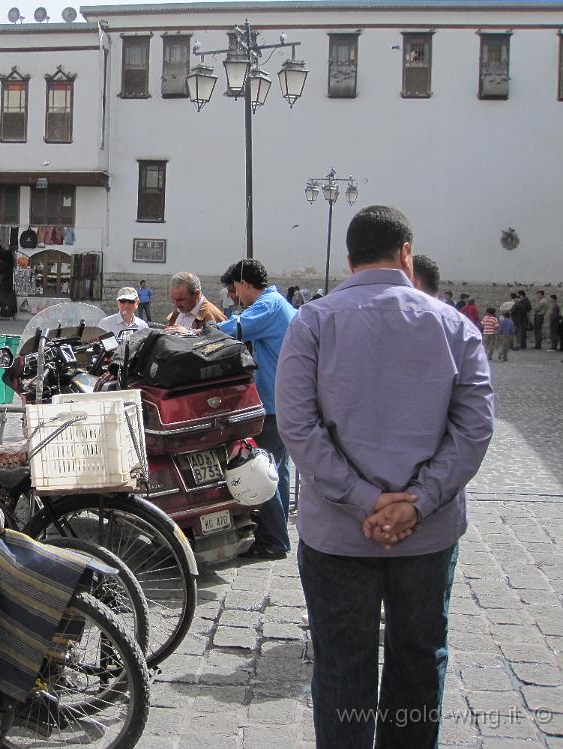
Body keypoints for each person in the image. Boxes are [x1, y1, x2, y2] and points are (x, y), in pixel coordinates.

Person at [275, 205, 494, 749]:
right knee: (418, 662)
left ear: (349, 261)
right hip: (428, 534)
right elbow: (474, 429)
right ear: (406, 254)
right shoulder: (454, 326)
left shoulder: (315, 321)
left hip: (338, 535)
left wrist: (364, 499)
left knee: (342, 665)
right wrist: (417, 502)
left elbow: (296, 427)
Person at [218, 258, 297, 560]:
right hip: (284, 400)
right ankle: (277, 532)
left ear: (244, 284)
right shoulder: (278, 304)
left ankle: (274, 540)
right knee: (278, 471)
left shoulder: (269, 306)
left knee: (260, 472)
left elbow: (234, 329)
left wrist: (202, 330)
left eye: (235, 289)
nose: (236, 297)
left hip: (274, 403)